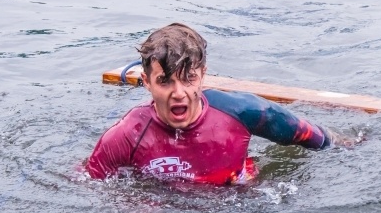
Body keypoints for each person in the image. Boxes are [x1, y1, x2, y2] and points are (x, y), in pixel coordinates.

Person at [86, 23, 350, 185]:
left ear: (203, 75)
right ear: (146, 82)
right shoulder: (126, 135)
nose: (179, 93)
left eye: (188, 79)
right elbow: (87, 184)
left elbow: (314, 137)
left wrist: (349, 145)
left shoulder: (246, 112)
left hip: (239, 209)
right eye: (165, 81)